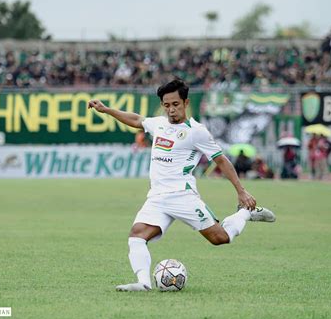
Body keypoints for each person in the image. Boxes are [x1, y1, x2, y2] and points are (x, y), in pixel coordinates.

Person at [88, 78, 276, 292]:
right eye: (166, 105)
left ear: (186, 103)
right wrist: (106, 110)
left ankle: (245, 214)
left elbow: (221, 160)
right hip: (157, 197)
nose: (171, 110)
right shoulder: (159, 124)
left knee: (220, 238)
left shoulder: (197, 131)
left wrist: (241, 191)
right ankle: (143, 282)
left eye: (175, 104)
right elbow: (137, 120)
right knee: (137, 236)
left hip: (183, 197)